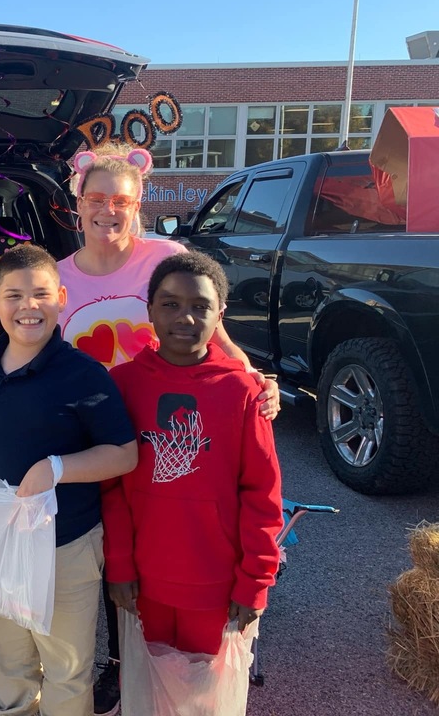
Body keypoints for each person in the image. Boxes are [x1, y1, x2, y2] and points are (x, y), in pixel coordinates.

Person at [57, 143, 281, 716]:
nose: (108, 210)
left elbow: (214, 327)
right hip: (92, 443)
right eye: (97, 198)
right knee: (116, 560)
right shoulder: (57, 280)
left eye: (122, 201)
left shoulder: (167, 258)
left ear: (138, 204)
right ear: (77, 201)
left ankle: (152, 665)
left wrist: (254, 381)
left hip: (164, 424)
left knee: (174, 545)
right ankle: (120, 664)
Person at [0, 243, 138, 716]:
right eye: (14, 296)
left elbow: (124, 454)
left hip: (65, 545)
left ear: (60, 298)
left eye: (40, 294)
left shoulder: (83, 373)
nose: (28, 306)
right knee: (8, 659)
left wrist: (57, 467)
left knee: (66, 667)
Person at [102, 251, 282, 687]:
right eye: (170, 304)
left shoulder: (242, 391)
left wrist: (255, 581)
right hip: (144, 584)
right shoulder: (123, 385)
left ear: (220, 314)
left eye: (200, 306)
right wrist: (119, 565)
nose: (185, 317)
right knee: (152, 690)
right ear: (149, 310)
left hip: (216, 586)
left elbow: (262, 494)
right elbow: (111, 489)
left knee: (205, 693)